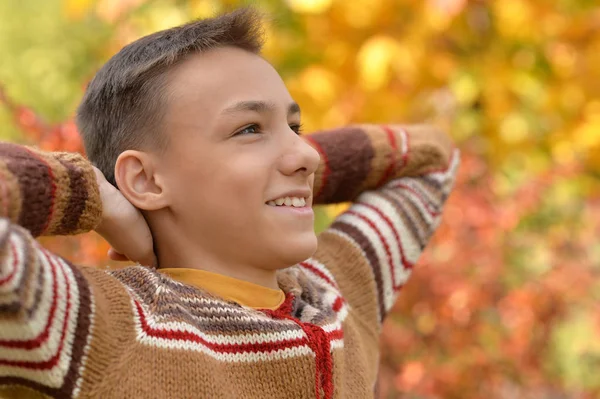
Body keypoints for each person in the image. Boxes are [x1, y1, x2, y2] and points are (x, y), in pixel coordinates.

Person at [0, 7, 459, 399]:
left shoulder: (340, 292)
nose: (306, 154)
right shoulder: (97, 326)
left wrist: (281, 176)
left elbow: (434, 160)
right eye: (249, 129)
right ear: (144, 179)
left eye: (295, 128)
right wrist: (97, 197)